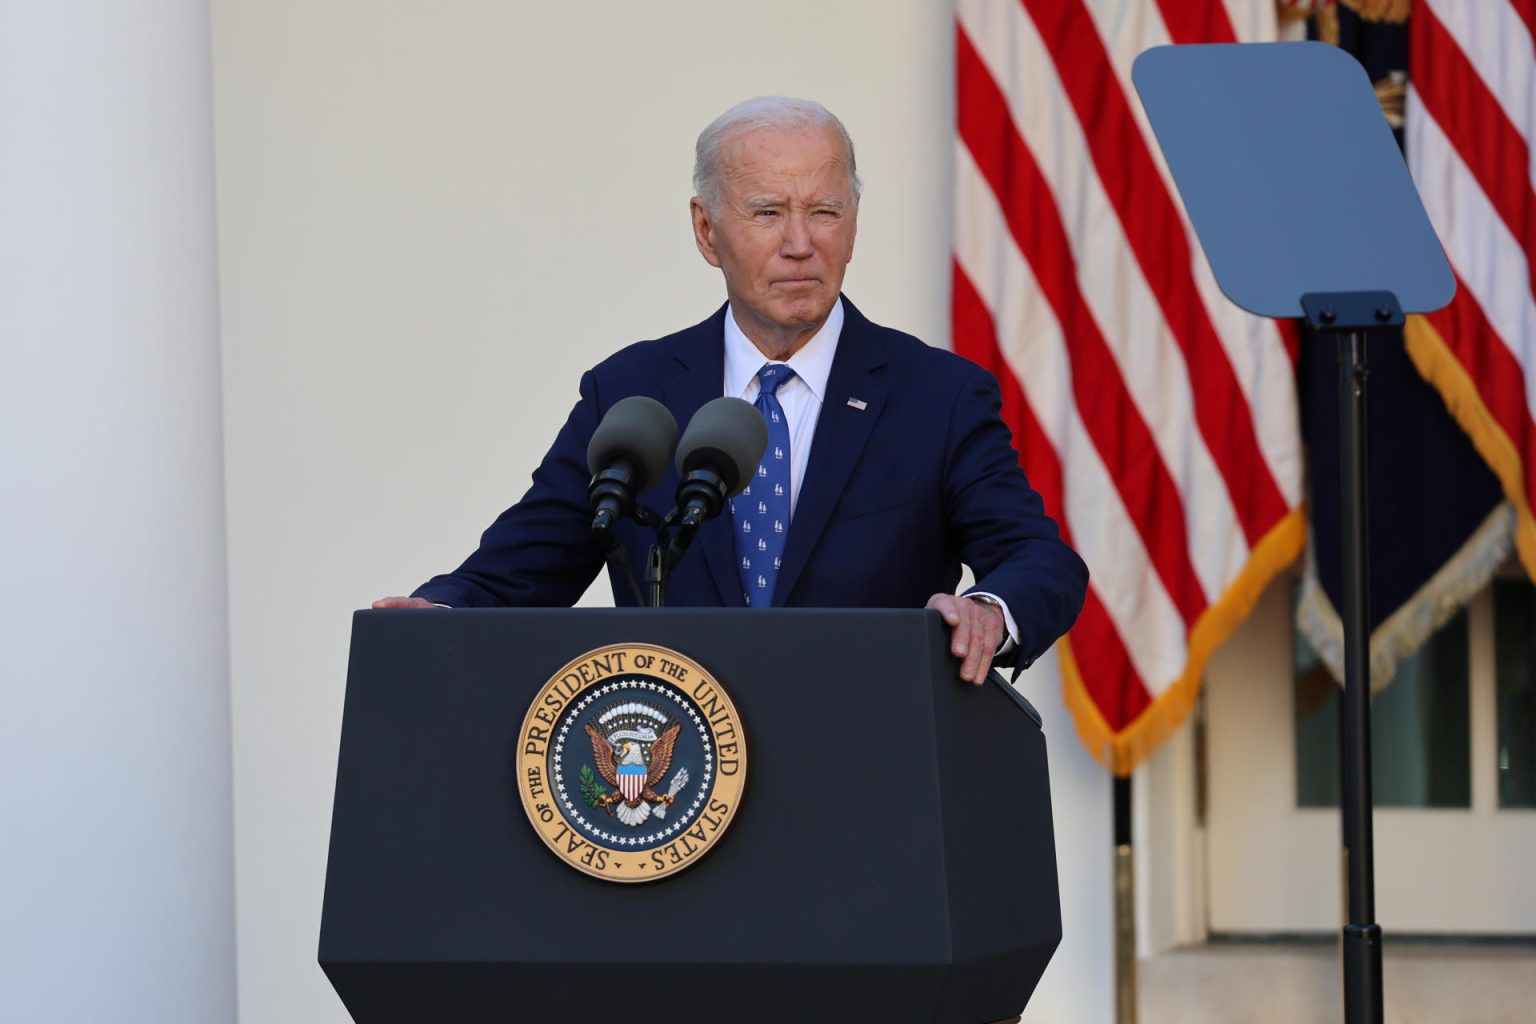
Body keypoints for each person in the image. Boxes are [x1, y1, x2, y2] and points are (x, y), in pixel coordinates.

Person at [374, 96, 1087, 684]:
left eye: (826, 211)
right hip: (677, 787)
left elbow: (1041, 560)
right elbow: (517, 574)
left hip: (870, 780)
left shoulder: (938, 396)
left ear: (854, 224)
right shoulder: (631, 394)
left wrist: (990, 609)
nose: (801, 243)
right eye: (768, 212)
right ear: (707, 231)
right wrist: (435, 614)